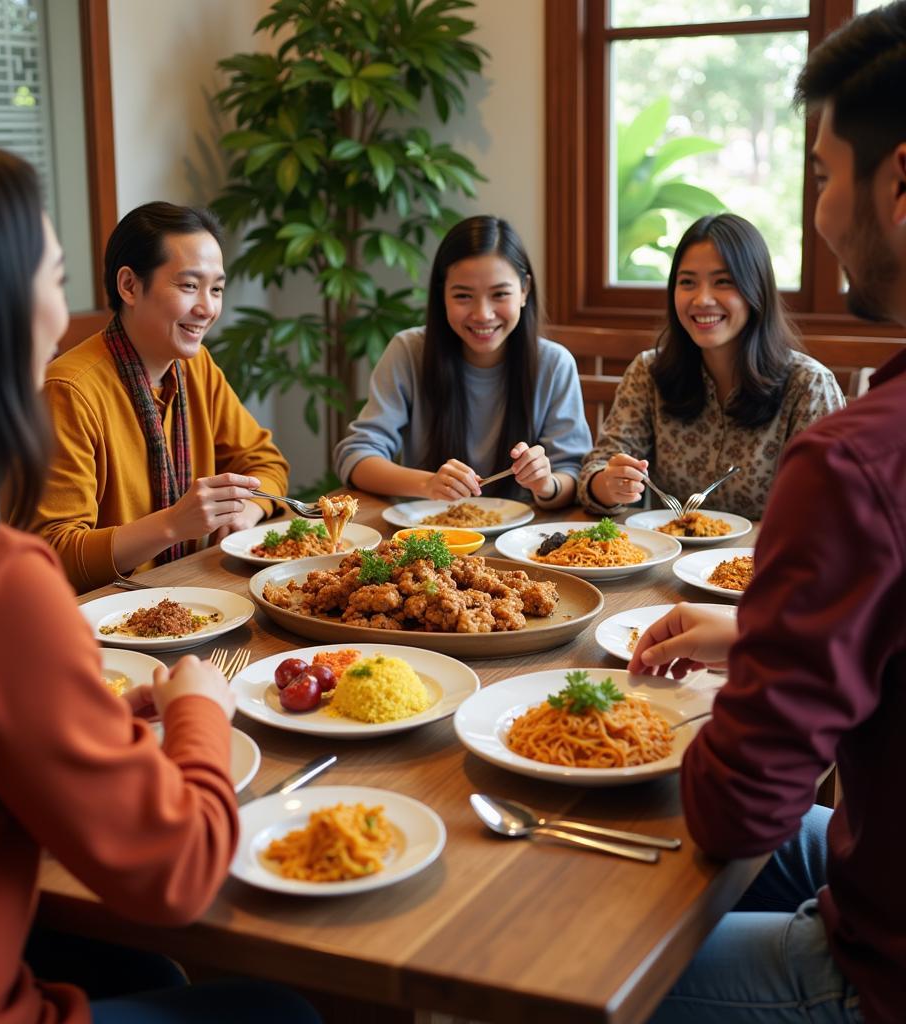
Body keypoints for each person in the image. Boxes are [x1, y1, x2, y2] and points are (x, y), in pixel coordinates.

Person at [0, 139, 318, 1024]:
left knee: (148, 972)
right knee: (283, 1010)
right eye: (54, 274)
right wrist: (199, 706)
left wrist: (97, 711)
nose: (61, 307)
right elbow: (178, 871)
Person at [629, 5, 906, 1021]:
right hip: (873, 864)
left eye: (825, 175)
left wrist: (759, 672)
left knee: (563, 974)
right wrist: (757, 633)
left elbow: (733, 805)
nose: (822, 212)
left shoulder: (853, 454)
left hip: (875, 972)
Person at [28, 201, 290, 592]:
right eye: (188, 286)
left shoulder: (195, 367)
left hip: (195, 595)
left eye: (216, 289)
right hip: (101, 622)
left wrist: (246, 513)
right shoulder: (70, 390)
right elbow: (54, 554)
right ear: (129, 286)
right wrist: (172, 524)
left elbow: (265, 461)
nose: (207, 308)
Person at [578, 213, 844, 520]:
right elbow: (595, 472)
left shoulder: (808, 385)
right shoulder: (648, 372)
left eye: (723, 282)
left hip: (764, 562)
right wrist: (609, 485)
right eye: (687, 282)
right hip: (668, 560)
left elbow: (829, 508)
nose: (702, 299)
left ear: (756, 289)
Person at [333, 215, 592, 508]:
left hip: (522, 542)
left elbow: (572, 473)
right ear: (442, 294)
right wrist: (426, 484)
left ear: (524, 291)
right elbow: (356, 456)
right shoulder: (408, 351)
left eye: (500, 294)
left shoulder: (554, 364)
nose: (483, 314)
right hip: (427, 537)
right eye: (463, 295)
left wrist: (546, 484)